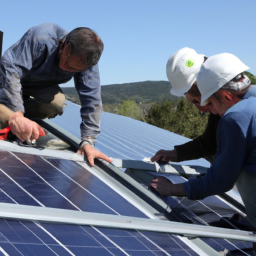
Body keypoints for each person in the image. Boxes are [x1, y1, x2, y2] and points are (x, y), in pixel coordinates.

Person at [151, 53, 256, 230]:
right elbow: (210, 141)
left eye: (204, 102)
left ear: (227, 96)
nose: (205, 110)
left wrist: (173, 189)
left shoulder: (235, 117)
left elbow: (220, 180)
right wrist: (176, 154)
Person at [0, 23, 112, 166]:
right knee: (12, 110)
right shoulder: (41, 37)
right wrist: (16, 114)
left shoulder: (88, 61)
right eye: (66, 61)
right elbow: (9, 68)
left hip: (37, 85)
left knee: (58, 102)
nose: (66, 68)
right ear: (64, 44)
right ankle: (10, 120)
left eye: (73, 70)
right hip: (9, 79)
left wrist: (88, 140)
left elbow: (92, 99)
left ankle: (23, 127)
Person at [151, 47, 256, 164]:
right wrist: (174, 154)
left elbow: (226, 170)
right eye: (190, 100)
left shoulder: (241, 102)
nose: (200, 108)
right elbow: (210, 142)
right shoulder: (221, 101)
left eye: (198, 99)